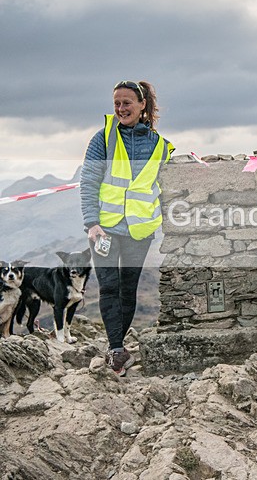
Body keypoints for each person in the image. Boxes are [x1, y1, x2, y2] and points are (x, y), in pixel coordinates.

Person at [80, 80, 173, 376]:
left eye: (127, 103)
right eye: (117, 104)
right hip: (104, 229)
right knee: (108, 286)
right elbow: (89, 182)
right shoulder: (103, 138)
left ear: (142, 104)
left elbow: (167, 183)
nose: (121, 109)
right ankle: (116, 348)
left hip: (139, 230)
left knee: (128, 289)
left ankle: (117, 346)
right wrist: (91, 223)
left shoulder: (160, 145)